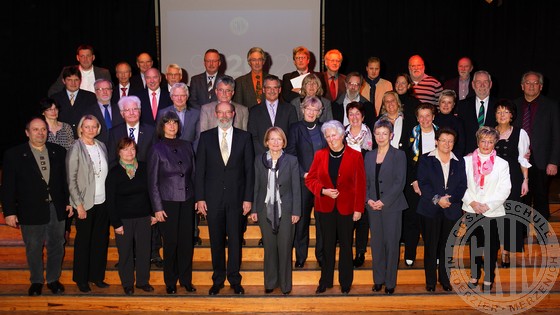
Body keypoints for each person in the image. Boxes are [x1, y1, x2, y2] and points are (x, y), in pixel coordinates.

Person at [1, 118, 73, 296]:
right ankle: (36, 281)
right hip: (30, 209)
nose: (40, 133)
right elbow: (8, 186)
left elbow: (65, 180)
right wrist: (9, 212)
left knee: (57, 245)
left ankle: (53, 279)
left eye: (43, 129)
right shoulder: (14, 154)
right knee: (33, 247)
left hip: (56, 208)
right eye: (35, 129)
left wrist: (69, 201)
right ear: (27, 132)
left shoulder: (58, 151)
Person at [195, 102, 255, 296]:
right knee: (216, 241)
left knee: (236, 240)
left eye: (227, 112)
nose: (223, 116)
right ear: (215, 114)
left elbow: (249, 171)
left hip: (237, 199)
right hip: (212, 199)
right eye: (220, 112)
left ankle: (235, 280)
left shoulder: (245, 137)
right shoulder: (205, 137)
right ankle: (218, 280)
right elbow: (200, 170)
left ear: (233, 113)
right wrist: (200, 198)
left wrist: (248, 198)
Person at [305, 120, 366, 295]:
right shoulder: (320, 155)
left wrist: (358, 209)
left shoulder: (355, 156)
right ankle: (325, 281)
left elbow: (360, 185)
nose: (331, 139)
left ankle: (345, 282)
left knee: (346, 246)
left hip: (347, 208)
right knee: (326, 246)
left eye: (334, 135)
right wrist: (323, 191)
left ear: (342, 135)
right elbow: (310, 180)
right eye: (328, 136)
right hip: (324, 208)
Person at [148, 111, 197, 294]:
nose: (172, 126)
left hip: (187, 200)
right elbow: (152, 182)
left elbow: (194, 175)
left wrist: (196, 198)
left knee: (186, 242)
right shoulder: (156, 148)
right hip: (167, 202)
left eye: (175, 122)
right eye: (167, 123)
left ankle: (186, 280)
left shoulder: (187, 145)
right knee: (170, 243)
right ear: (162, 126)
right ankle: (170, 281)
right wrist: (157, 208)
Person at [251, 127, 301, 295]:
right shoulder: (259, 160)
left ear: (283, 142)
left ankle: (286, 285)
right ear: (266, 142)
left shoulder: (292, 161)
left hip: (286, 210)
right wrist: (254, 209)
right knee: (270, 247)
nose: (275, 142)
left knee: (285, 247)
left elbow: (296, 188)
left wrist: (296, 211)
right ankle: (270, 282)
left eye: (279, 139)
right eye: (272, 139)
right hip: (265, 209)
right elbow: (256, 186)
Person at [417, 127, 467, 292]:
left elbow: (462, 186)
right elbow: (423, 183)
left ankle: (445, 280)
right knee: (431, 246)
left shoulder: (460, 161)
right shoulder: (426, 159)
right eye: (443, 140)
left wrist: (449, 201)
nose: (447, 144)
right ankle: (430, 282)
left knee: (447, 246)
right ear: (436, 141)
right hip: (430, 209)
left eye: (450, 141)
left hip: (451, 209)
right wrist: (438, 200)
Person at [106, 137, 156, 295]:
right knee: (125, 252)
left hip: (143, 217)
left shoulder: (145, 168)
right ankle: (127, 283)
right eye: (125, 149)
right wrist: (116, 223)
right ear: (119, 152)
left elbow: (152, 191)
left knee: (143, 250)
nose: (129, 152)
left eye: (132, 149)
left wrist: (154, 213)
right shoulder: (114, 172)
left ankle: (142, 282)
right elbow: (110, 200)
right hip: (123, 220)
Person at [463, 126, 511, 292]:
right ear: (478, 141)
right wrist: (473, 203)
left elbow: (505, 189)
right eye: (483, 140)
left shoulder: (502, 164)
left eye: (490, 142)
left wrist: (487, 205)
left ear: (495, 143)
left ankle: (489, 276)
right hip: (472, 209)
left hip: (493, 211)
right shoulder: (466, 161)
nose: (486, 144)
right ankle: (475, 274)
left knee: (491, 247)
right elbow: (461, 185)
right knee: (475, 245)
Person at [66, 114, 110, 293]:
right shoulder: (75, 147)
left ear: (98, 128)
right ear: (81, 128)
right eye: (87, 126)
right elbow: (71, 179)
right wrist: (79, 205)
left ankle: (97, 277)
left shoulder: (102, 145)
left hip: (103, 201)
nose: (91, 130)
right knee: (83, 242)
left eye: (94, 126)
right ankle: (81, 279)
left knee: (100, 241)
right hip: (85, 203)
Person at [365, 119, 408, 295]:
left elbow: (400, 182)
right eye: (378, 133)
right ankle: (378, 280)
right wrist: (368, 200)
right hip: (372, 207)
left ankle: (390, 282)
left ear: (391, 135)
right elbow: (364, 182)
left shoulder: (399, 155)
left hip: (392, 207)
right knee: (376, 244)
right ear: (374, 135)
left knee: (391, 244)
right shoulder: (368, 155)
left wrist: (383, 201)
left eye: (385, 133)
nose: (381, 137)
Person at [286, 96, 328, 268]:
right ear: (302, 110)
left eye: (315, 110)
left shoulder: (324, 129)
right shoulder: (295, 128)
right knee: (301, 221)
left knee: (321, 222)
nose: (311, 113)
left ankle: (321, 255)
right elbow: (291, 152)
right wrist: (303, 173)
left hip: (321, 183)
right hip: (303, 182)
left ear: (319, 112)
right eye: (308, 109)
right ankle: (301, 256)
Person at [513, 71, 560, 220]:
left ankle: (543, 233)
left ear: (541, 86)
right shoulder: (513, 105)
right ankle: (521, 232)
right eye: (528, 83)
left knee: (540, 196)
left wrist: (553, 161)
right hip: (518, 159)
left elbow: (557, 135)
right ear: (522, 86)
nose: (531, 86)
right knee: (521, 196)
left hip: (542, 160)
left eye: (535, 83)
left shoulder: (551, 106)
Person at [494, 99, 531, 266]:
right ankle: (493, 247)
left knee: (509, 215)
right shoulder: (488, 132)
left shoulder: (520, 133)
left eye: (506, 112)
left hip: (513, 178)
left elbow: (523, 159)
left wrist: (525, 180)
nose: (502, 115)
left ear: (511, 116)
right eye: (499, 112)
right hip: (492, 180)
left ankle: (506, 251)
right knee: (494, 215)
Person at [403, 103, 439, 267]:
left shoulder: (441, 135)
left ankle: (434, 255)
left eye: (428, 115)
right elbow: (405, 161)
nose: (425, 119)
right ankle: (410, 253)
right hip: (414, 184)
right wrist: (414, 182)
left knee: (432, 222)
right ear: (417, 118)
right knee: (412, 220)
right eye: (421, 116)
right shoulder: (410, 135)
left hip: (436, 186)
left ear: (433, 116)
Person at [344, 101, 373, 268]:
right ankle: (347, 251)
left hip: (365, 179)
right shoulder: (342, 133)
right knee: (347, 218)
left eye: (357, 114)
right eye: (351, 114)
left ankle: (360, 251)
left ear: (363, 116)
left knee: (362, 217)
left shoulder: (371, 133)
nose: (354, 117)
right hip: (346, 181)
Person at [247, 74, 298, 157]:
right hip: (262, 158)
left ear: (280, 90)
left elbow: (293, 136)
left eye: (275, 88)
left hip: (284, 158)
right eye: (269, 88)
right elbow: (253, 137)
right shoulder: (254, 111)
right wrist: (267, 155)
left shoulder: (290, 109)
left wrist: (283, 155)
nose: (272, 91)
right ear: (263, 90)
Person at [107, 96, 155, 168]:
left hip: (146, 175)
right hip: (121, 176)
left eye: (135, 109)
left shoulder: (151, 131)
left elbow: (155, 158)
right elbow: (112, 159)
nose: (131, 113)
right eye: (127, 110)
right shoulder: (114, 133)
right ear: (122, 113)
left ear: (139, 111)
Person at [51, 65, 98, 138]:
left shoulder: (91, 97)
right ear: (63, 81)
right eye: (69, 80)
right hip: (62, 138)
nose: (73, 83)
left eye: (76, 80)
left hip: (83, 138)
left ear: (80, 80)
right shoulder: (55, 98)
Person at [457, 70, 497, 153]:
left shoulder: (499, 106)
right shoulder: (462, 105)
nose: (482, 85)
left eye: (485, 82)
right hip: (468, 155)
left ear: (491, 84)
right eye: (478, 82)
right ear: (473, 85)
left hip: (493, 155)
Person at [157, 82, 200, 147]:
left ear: (187, 97)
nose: (179, 98)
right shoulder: (162, 113)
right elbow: (160, 137)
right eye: (176, 96)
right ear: (171, 97)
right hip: (168, 153)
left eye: (182, 95)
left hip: (190, 153)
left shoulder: (196, 114)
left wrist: (191, 153)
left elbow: (198, 138)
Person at [90, 79, 125, 144]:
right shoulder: (89, 112)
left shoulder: (121, 109)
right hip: (98, 148)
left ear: (111, 91)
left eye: (107, 89)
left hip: (119, 147)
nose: (105, 92)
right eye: (101, 89)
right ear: (95, 91)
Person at [434, 89, 466, 157]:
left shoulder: (458, 122)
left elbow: (461, 146)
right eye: (443, 102)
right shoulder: (432, 120)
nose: (446, 105)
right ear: (439, 103)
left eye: (449, 102)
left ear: (453, 105)